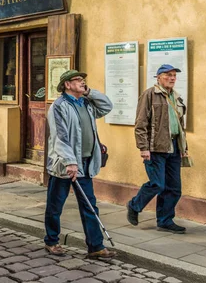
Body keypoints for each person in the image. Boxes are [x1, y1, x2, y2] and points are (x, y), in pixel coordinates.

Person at [44, 70, 116, 259]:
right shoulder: (59, 106)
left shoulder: (86, 103)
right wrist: (70, 162)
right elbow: (60, 137)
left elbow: (107, 106)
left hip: (85, 163)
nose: (83, 82)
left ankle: (96, 246)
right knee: (55, 205)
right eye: (78, 80)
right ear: (67, 84)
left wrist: (89, 91)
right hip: (64, 164)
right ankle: (51, 241)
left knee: (89, 205)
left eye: (84, 80)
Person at [127, 64, 189, 233]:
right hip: (155, 148)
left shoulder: (175, 96)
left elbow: (179, 125)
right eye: (168, 75)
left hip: (174, 147)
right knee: (158, 184)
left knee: (174, 188)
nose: (172, 78)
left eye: (174, 75)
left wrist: (183, 147)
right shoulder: (149, 95)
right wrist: (143, 147)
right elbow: (140, 124)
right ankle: (134, 205)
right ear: (159, 77)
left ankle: (165, 220)